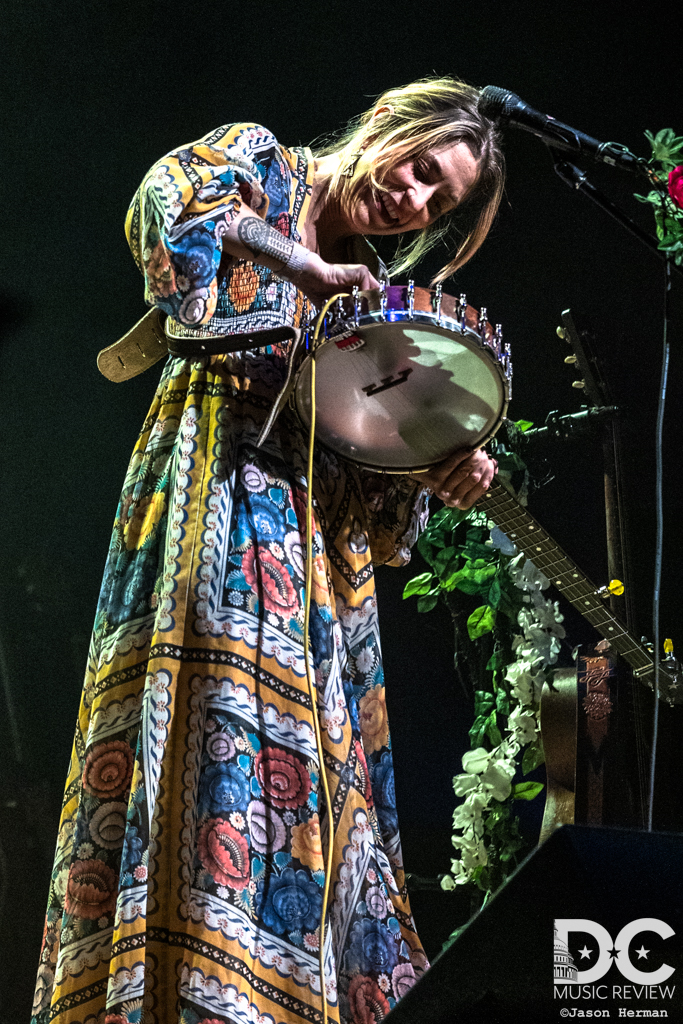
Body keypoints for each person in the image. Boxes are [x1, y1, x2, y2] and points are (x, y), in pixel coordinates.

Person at [32, 77, 504, 1024]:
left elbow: (378, 495)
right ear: (387, 125)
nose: (411, 202)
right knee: (205, 733)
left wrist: (443, 466)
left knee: (319, 792)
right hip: (217, 499)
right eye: (417, 169)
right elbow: (170, 212)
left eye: (435, 202)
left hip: (323, 573)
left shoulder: (384, 308)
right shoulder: (261, 162)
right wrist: (300, 266)